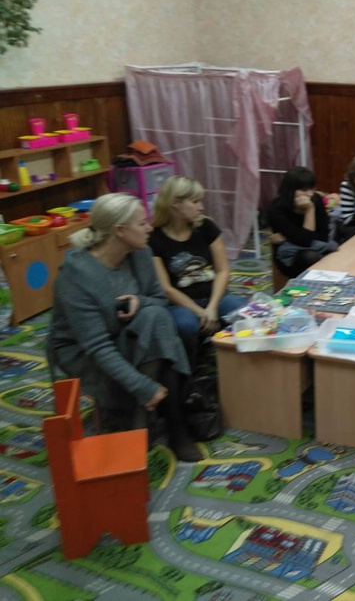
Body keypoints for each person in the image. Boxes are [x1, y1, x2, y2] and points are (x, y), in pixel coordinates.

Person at [49, 193, 203, 462]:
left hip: (130, 334)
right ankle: (163, 424)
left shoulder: (140, 253)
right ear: (119, 231)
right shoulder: (76, 276)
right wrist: (143, 386)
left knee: (156, 317)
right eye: (142, 223)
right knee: (159, 330)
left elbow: (159, 299)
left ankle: (148, 424)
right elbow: (97, 346)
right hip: (83, 353)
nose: (150, 228)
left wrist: (140, 301)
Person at [148, 176, 246, 363]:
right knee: (185, 325)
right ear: (175, 204)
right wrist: (200, 312)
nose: (201, 207)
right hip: (181, 304)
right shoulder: (155, 239)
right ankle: (190, 367)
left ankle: (232, 363)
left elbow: (223, 271)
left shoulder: (206, 227)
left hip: (215, 297)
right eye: (195, 202)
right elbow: (166, 288)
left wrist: (212, 307)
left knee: (243, 311)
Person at [266, 166, 339, 278]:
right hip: (290, 257)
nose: (309, 194)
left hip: (318, 246)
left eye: (311, 189)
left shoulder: (316, 199)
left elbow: (323, 236)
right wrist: (310, 210)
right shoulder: (277, 209)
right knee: (310, 257)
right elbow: (305, 242)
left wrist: (287, 238)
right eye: (304, 190)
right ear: (291, 191)